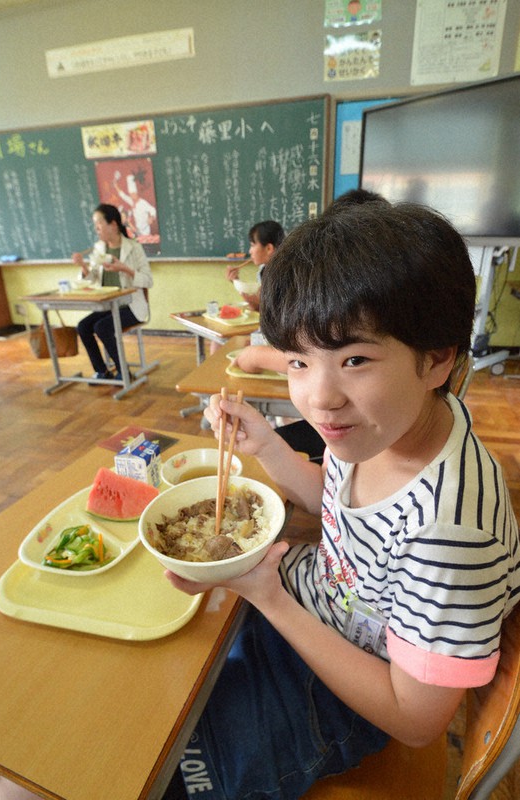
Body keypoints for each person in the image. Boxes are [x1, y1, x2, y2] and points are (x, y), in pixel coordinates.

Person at [163, 201, 520, 800]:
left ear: (436, 358)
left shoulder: (449, 533)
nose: (320, 398)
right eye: (299, 362)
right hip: (302, 610)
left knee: (164, 767)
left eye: (355, 360)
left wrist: (270, 600)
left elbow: (415, 719)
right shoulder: (396, 420)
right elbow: (336, 509)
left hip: (340, 695)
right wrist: (269, 446)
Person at [71, 203, 153, 381]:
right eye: (95, 225)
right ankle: (102, 370)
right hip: (108, 305)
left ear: (113, 224)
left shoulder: (133, 247)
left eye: (99, 223)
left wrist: (125, 269)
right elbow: (92, 279)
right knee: (83, 327)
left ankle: (124, 372)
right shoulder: (99, 249)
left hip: (130, 307)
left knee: (102, 327)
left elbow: (148, 280)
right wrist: (83, 266)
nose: (96, 229)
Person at [225, 219, 285, 311]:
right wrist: (236, 282)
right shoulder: (263, 270)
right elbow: (257, 308)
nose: (250, 251)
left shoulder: (287, 272)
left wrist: (259, 301)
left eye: (253, 245)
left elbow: (283, 312)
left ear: (269, 248)